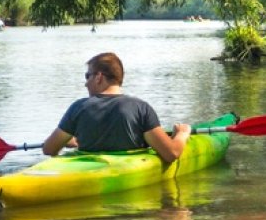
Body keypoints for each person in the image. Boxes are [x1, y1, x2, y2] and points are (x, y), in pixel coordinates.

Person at [42, 51, 191, 163]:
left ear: (99, 77)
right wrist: (182, 134)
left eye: (88, 76)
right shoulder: (140, 108)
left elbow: (49, 149)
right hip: (126, 168)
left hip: (87, 169)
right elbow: (171, 153)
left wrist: (69, 141)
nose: (85, 83)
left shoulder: (78, 107)